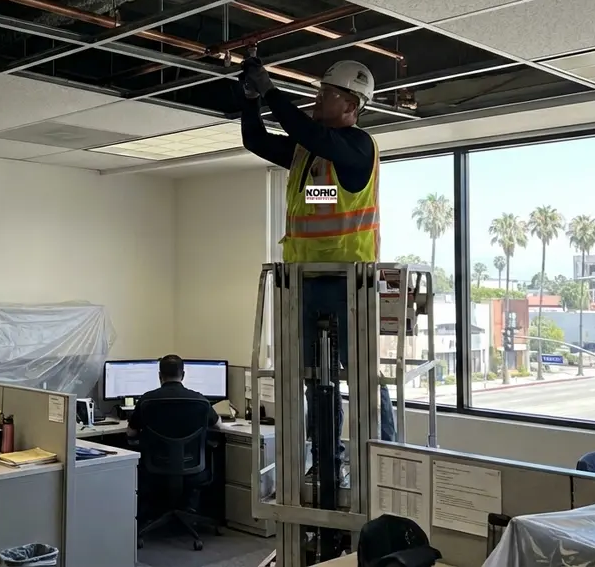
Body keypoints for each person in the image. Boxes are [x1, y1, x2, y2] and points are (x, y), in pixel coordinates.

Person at [239, 58, 396, 487]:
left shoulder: (358, 148)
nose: (317, 98)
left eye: (326, 93)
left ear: (351, 103)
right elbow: (256, 139)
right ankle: (327, 459)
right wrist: (250, 101)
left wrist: (270, 90)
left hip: (349, 280)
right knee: (315, 380)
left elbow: (308, 132)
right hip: (304, 281)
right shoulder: (311, 158)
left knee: (363, 377)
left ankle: (385, 458)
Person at [127, 355, 219, 440]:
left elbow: (131, 433)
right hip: (191, 455)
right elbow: (218, 425)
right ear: (183, 375)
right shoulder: (200, 400)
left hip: (155, 456)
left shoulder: (146, 400)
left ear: (159, 376)